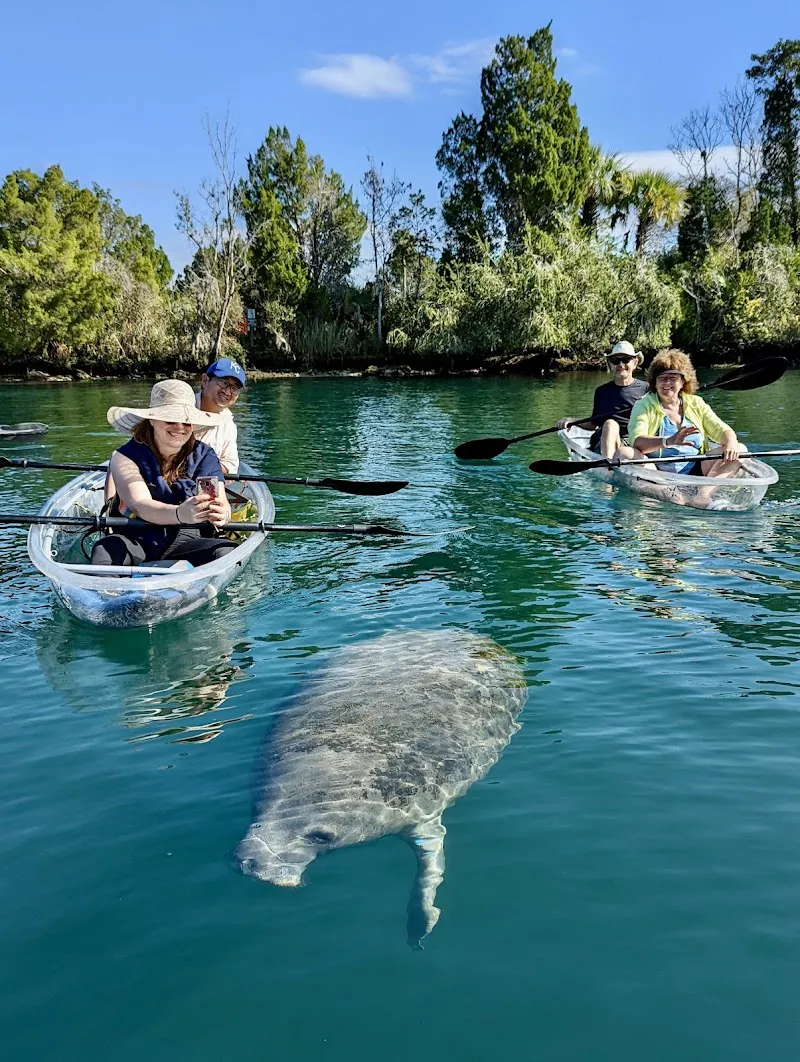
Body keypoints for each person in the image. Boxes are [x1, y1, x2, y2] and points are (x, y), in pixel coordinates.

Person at [92, 379, 238, 568]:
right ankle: (111, 592)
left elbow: (221, 500)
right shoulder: (124, 456)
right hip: (136, 539)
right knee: (105, 548)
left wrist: (223, 514)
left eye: (186, 422)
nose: (179, 427)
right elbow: (141, 505)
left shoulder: (205, 455)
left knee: (226, 552)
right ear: (152, 419)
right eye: (170, 419)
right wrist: (180, 513)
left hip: (187, 541)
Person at [617, 348, 745, 478]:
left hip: (696, 469)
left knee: (740, 449)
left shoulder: (696, 403)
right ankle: (670, 494)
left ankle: (703, 495)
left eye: (672, 378)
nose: (667, 383)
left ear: (682, 381)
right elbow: (637, 442)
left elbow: (721, 430)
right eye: (662, 378)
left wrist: (731, 441)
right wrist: (669, 441)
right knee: (624, 453)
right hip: (656, 472)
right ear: (654, 383)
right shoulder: (643, 405)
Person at [557, 341, 648, 458]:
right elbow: (593, 423)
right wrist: (571, 421)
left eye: (626, 360)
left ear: (635, 363)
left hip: (633, 442)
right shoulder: (602, 391)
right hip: (604, 439)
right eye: (615, 361)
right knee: (610, 424)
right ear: (610, 365)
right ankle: (608, 464)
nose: (620, 364)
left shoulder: (646, 389)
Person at [196, 357, 246, 475]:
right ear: (205, 381)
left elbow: (230, 464)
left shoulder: (229, 424)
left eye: (235, 388)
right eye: (224, 382)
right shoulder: (181, 407)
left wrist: (205, 469)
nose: (228, 392)